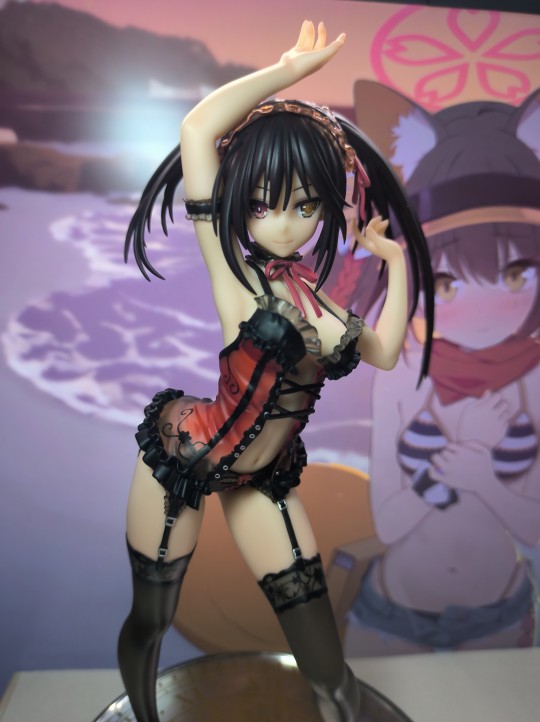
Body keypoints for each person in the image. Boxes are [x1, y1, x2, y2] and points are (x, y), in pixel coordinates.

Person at [119, 21, 433, 722]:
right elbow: (199, 129)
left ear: (324, 206)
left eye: (305, 205)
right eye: (262, 204)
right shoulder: (235, 276)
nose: (284, 225)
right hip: (186, 457)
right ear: (240, 202)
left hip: (263, 479)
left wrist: (395, 261)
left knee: (325, 659)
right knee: (152, 617)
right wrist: (287, 75)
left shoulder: (325, 311)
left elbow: (385, 351)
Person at [343, 88, 540, 655]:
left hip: (499, 616)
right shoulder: (402, 371)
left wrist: (483, 478)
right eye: (447, 283)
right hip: (391, 614)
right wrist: (462, 455)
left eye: (515, 275)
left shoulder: (532, 376)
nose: (484, 311)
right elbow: (388, 524)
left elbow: (533, 526)